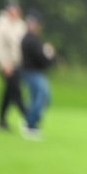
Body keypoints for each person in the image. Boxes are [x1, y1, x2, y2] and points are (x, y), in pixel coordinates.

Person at [0, 0, 27, 132]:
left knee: (8, 93)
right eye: (12, 8)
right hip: (6, 64)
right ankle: (28, 117)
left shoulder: (20, 25)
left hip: (18, 63)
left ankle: (1, 121)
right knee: (15, 91)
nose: (15, 11)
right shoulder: (1, 24)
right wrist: (3, 63)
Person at [19, 10, 56, 140]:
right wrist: (49, 54)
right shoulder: (30, 40)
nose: (33, 24)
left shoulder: (33, 39)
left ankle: (30, 122)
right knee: (42, 97)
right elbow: (41, 59)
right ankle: (30, 125)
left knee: (37, 99)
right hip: (32, 72)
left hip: (34, 72)